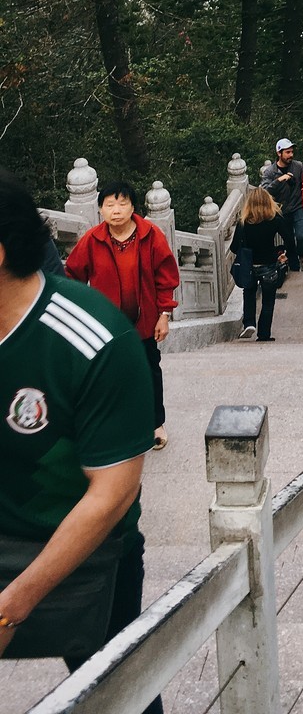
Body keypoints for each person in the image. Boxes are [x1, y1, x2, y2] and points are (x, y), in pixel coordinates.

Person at [0, 170, 163, 714]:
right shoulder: (91, 242)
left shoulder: (93, 339)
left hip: (85, 549)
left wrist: (11, 607)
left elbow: (111, 493)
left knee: (121, 690)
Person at [66, 179, 179, 453]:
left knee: (149, 372)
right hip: (107, 327)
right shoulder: (92, 240)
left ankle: (155, 424)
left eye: (122, 203)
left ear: (132, 207)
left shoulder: (151, 235)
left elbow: (166, 278)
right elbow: (72, 275)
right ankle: (120, 427)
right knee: (110, 376)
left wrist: (164, 314)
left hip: (145, 322)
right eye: (109, 205)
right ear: (101, 210)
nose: (116, 210)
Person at [231, 187, 288, 342]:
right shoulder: (275, 219)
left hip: (249, 266)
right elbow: (288, 238)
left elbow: (234, 247)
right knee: (268, 300)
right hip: (269, 264)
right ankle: (264, 334)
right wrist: (281, 251)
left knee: (249, 293)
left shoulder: (243, 223)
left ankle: (249, 323)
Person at [260, 138, 303, 268]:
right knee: (289, 239)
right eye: (287, 152)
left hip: (297, 206)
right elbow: (265, 192)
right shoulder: (270, 172)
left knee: (301, 235)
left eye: (291, 152)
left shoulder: (298, 166)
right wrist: (279, 180)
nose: (291, 155)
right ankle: (294, 265)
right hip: (281, 210)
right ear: (279, 153)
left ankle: (302, 254)